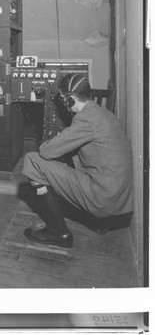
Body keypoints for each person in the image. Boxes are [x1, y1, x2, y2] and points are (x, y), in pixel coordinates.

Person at [21, 73, 133, 249]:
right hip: (118, 196)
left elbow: (47, 151)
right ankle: (99, 222)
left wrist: (49, 141)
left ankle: (59, 233)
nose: (63, 103)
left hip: (104, 197)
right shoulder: (102, 113)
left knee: (32, 160)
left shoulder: (86, 119)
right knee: (66, 158)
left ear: (71, 99)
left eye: (64, 99)